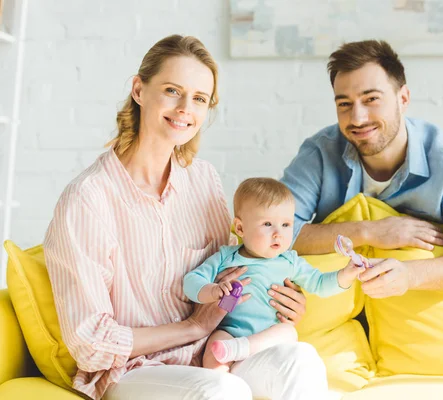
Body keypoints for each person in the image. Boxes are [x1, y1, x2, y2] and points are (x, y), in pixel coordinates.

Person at [44, 34, 326, 400]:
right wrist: (192, 326)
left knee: (299, 359)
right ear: (139, 90)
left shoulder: (203, 180)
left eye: (199, 98)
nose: (184, 109)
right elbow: (90, 342)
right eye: (173, 91)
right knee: (220, 391)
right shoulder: (87, 200)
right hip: (134, 370)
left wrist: (280, 300)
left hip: (214, 353)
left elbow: (233, 268)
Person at [281, 40, 443, 299]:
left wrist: (408, 275)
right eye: (344, 104)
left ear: (403, 98)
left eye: (371, 99)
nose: (358, 118)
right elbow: (273, 233)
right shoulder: (319, 154)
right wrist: (370, 231)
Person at [183, 177, 364, 370]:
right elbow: (191, 282)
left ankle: (243, 348)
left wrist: (347, 274)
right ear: (240, 228)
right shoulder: (226, 257)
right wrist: (213, 291)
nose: (278, 233)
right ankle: (223, 382)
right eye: (268, 224)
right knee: (214, 349)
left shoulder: (289, 261)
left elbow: (320, 283)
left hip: (269, 339)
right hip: (230, 332)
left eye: (286, 225)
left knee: (288, 332)